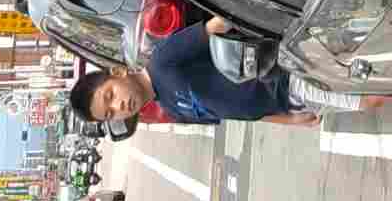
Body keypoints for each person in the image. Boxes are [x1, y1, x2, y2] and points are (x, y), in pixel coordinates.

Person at [70, 16, 330, 129]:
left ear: (118, 72)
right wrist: (290, 120)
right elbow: (237, 113)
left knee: (358, 97)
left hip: (285, 76)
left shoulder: (163, 60)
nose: (118, 106)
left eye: (110, 96)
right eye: (110, 113)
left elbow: (219, 25)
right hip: (289, 104)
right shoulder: (171, 110)